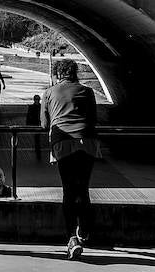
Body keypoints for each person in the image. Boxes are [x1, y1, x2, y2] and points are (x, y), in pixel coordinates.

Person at [41, 59, 100, 261]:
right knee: (82, 188)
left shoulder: (49, 93)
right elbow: (93, 119)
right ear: (76, 74)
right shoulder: (88, 91)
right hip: (87, 142)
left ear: (58, 74)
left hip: (63, 143)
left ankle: (71, 239)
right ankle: (84, 230)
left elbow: (44, 123)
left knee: (68, 190)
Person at [26, 94, 43, 161]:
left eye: (38, 99)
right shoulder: (34, 107)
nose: (37, 101)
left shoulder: (40, 107)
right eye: (36, 99)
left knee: (37, 139)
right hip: (35, 124)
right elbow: (29, 116)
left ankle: (38, 152)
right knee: (37, 139)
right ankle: (38, 152)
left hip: (39, 124)